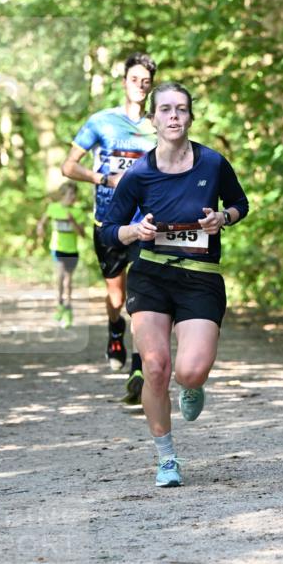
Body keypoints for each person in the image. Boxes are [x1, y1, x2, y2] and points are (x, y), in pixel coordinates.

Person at [100, 81, 249, 488]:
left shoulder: (213, 164)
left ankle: (193, 386)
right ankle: (166, 457)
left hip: (199, 279)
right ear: (153, 119)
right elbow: (109, 230)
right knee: (155, 367)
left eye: (181, 109)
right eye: (165, 109)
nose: (173, 117)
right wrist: (135, 232)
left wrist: (224, 219)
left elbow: (241, 204)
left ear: (190, 117)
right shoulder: (140, 172)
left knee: (191, 370)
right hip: (150, 275)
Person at [62, 52, 157, 402]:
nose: (140, 86)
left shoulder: (158, 124)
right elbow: (68, 166)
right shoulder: (101, 122)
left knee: (142, 298)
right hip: (109, 222)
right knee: (117, 297)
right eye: (135, 79)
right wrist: (104, 178)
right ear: (124, 82)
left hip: (147, 223)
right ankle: (114, 329)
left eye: (146, 82)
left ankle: (138, 367)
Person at [37, 182, 86, 327]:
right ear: (63, 195)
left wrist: (73, 222)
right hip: (57, 249)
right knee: (60, 277)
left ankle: (68, 309)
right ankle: (59, 305)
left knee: (68, 281)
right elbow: (42, 222)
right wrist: (40, 228)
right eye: (71, 194)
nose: (73, 197)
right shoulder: (53, 208)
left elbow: (82, 234)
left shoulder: (78, 212)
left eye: (75, 194)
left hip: (72, 250)